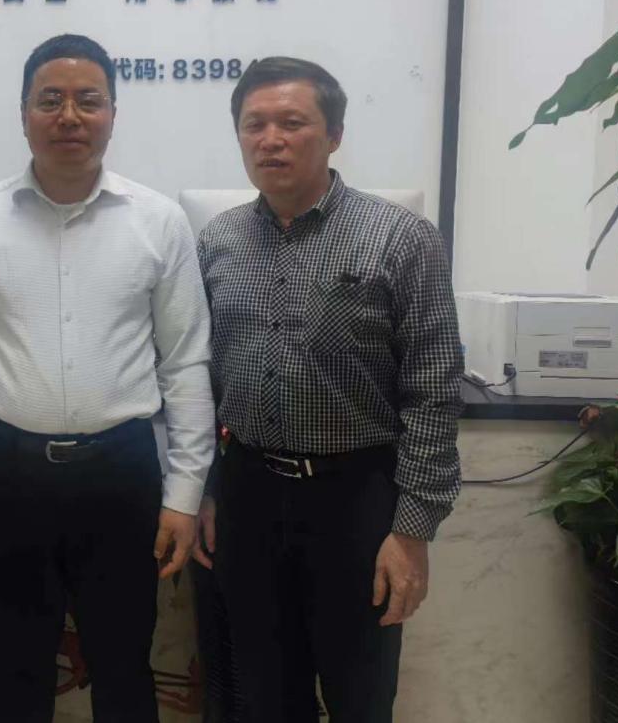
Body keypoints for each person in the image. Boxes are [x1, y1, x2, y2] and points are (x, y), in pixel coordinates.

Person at [0, 33, 215, 723]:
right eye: (50, 100)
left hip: (121, 472)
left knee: (124, 667)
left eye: (88, 100)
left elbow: (185, 361)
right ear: (23, 114)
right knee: (15, 670)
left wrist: (183, 492)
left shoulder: (159, 222)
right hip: (6, 473)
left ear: (112, 114)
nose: (69, 116)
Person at [193, 57, 463, 723]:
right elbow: (199, 379)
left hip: (357, 501)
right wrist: (204, 490)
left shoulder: (401, 238)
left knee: (360, 697)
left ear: (334, 134)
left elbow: (432, 390)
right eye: (254, 124)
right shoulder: (217, 240)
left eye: (292, 122)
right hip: (248, 494)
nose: (271, 140)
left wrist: (411, 531)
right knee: (263, 696)